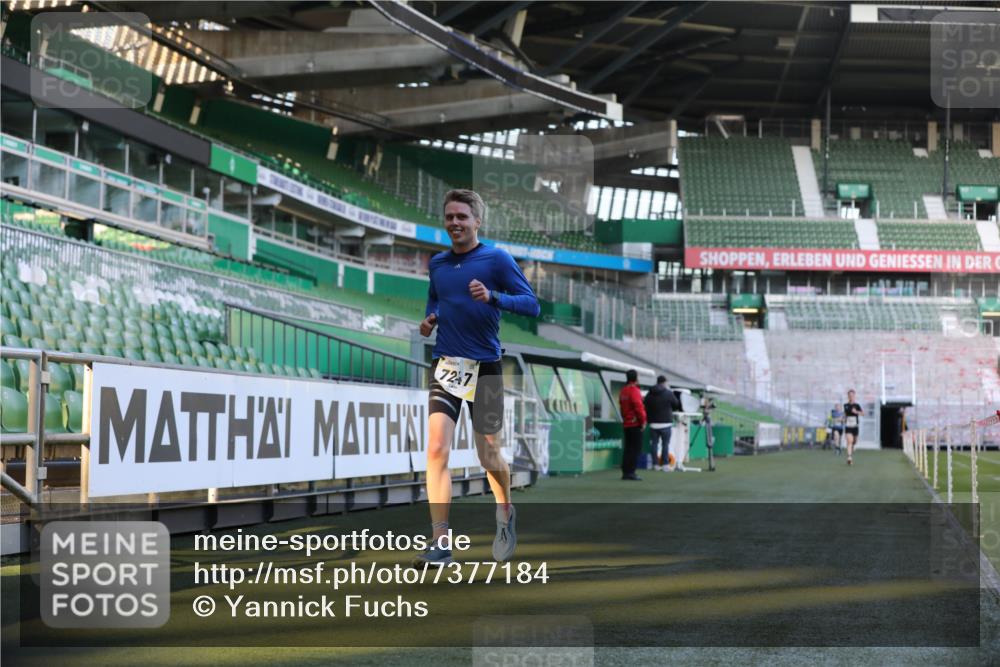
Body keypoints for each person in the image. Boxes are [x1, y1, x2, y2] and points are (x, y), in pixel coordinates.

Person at [414, 189, 540, 566]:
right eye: (449, 216)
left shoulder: (496, 258)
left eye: (462, 217)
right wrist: (429, 320)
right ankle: (441, 542)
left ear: (477, 222)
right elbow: (435, 301)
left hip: (484, 366)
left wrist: (494, 297)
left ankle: (504, 512)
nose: (454, 223)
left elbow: (532, 304)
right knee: (436, 449)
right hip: (448, 366)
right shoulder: (437, 263)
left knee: (488, 454)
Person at [644, 375, 681, 471]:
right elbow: (676, 404)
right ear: (665, 382)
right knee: (665, 444)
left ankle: (655, 464)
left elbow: (645, 403)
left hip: (653, 423)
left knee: (654, 444)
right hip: (666, 423)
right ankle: (665, 464)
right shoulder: (668, 393)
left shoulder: (650, 393)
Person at [619, 369, 647, 480]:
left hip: (627, 423)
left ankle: (626, 471)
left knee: (628, 448)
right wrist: (643, 421)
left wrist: (625, 418)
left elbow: (622, 407)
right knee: (635, 449)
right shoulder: (634, 390)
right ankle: (631, 472)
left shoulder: (623, 390)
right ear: (636, 378)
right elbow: (639, 407)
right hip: (635, 424)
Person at [843, 389, 864, 466]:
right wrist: (843, 419)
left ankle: (852, 448)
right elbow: (845, 414)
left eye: (852, 395)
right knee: (849, 441)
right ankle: (849, 457)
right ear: (848, 396)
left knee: (854, 442)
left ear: (854, 396)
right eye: (849, 395)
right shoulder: (845, 405)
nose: (851, 397)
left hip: (855, 426)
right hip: (848, 426)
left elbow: (863, 413)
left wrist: (857, 412)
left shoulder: (857, 405)